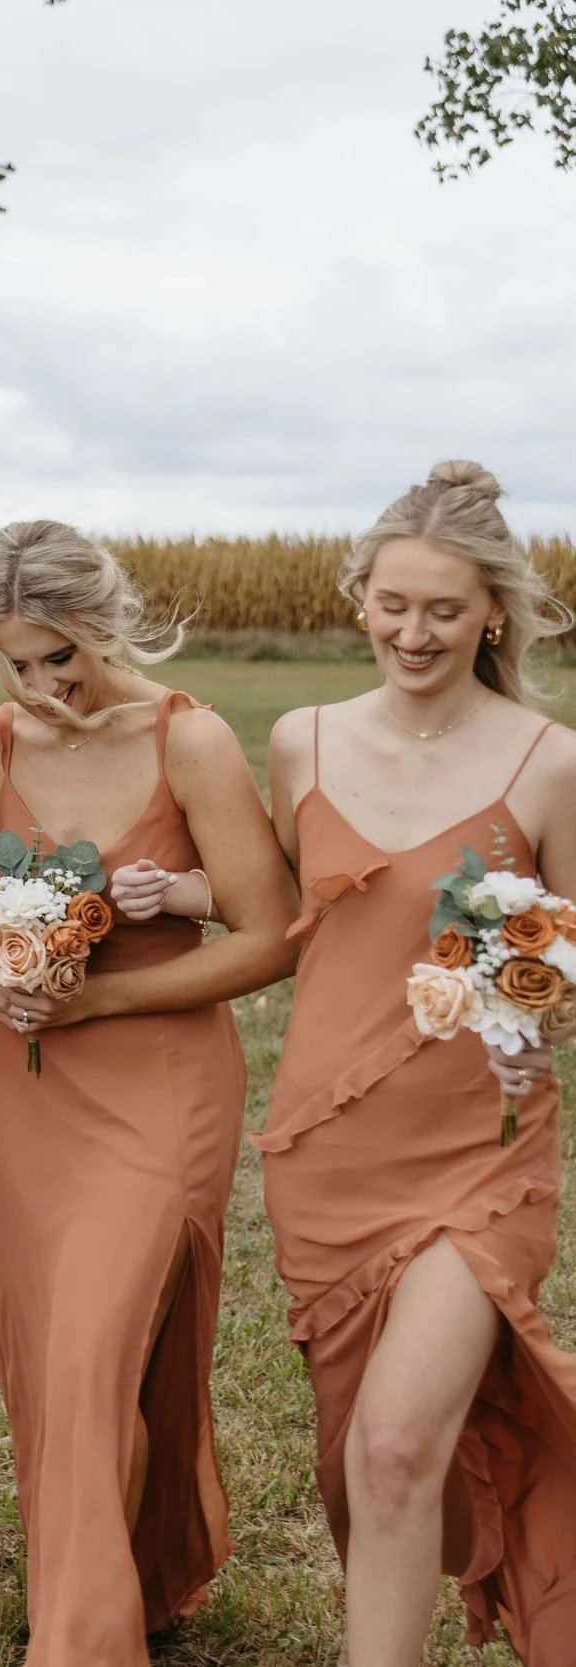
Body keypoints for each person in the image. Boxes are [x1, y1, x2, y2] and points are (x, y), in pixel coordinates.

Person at [0, 522, 297, 1661]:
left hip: (157, 1080)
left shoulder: (188, 738)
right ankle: (109, 1588)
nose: (43, 686)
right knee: (59, 1369)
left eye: (61, 657)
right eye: (17, 663)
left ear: (103, 626)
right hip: (25, 1090)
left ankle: (78, 1641)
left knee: (96, 1348)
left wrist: (94, 1000)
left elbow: (267, 936)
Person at [261, 461, 576, 1664]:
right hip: (323, 1149)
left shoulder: (546, 759)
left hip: (478, 1154)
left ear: (492, 610)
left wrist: (533, 978)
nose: (413, 629)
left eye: (444, 608)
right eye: (393, 603)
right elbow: (292, 922)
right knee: (362, 1459)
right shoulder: (300, 741)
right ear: (359, 601)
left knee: (395, 1441)